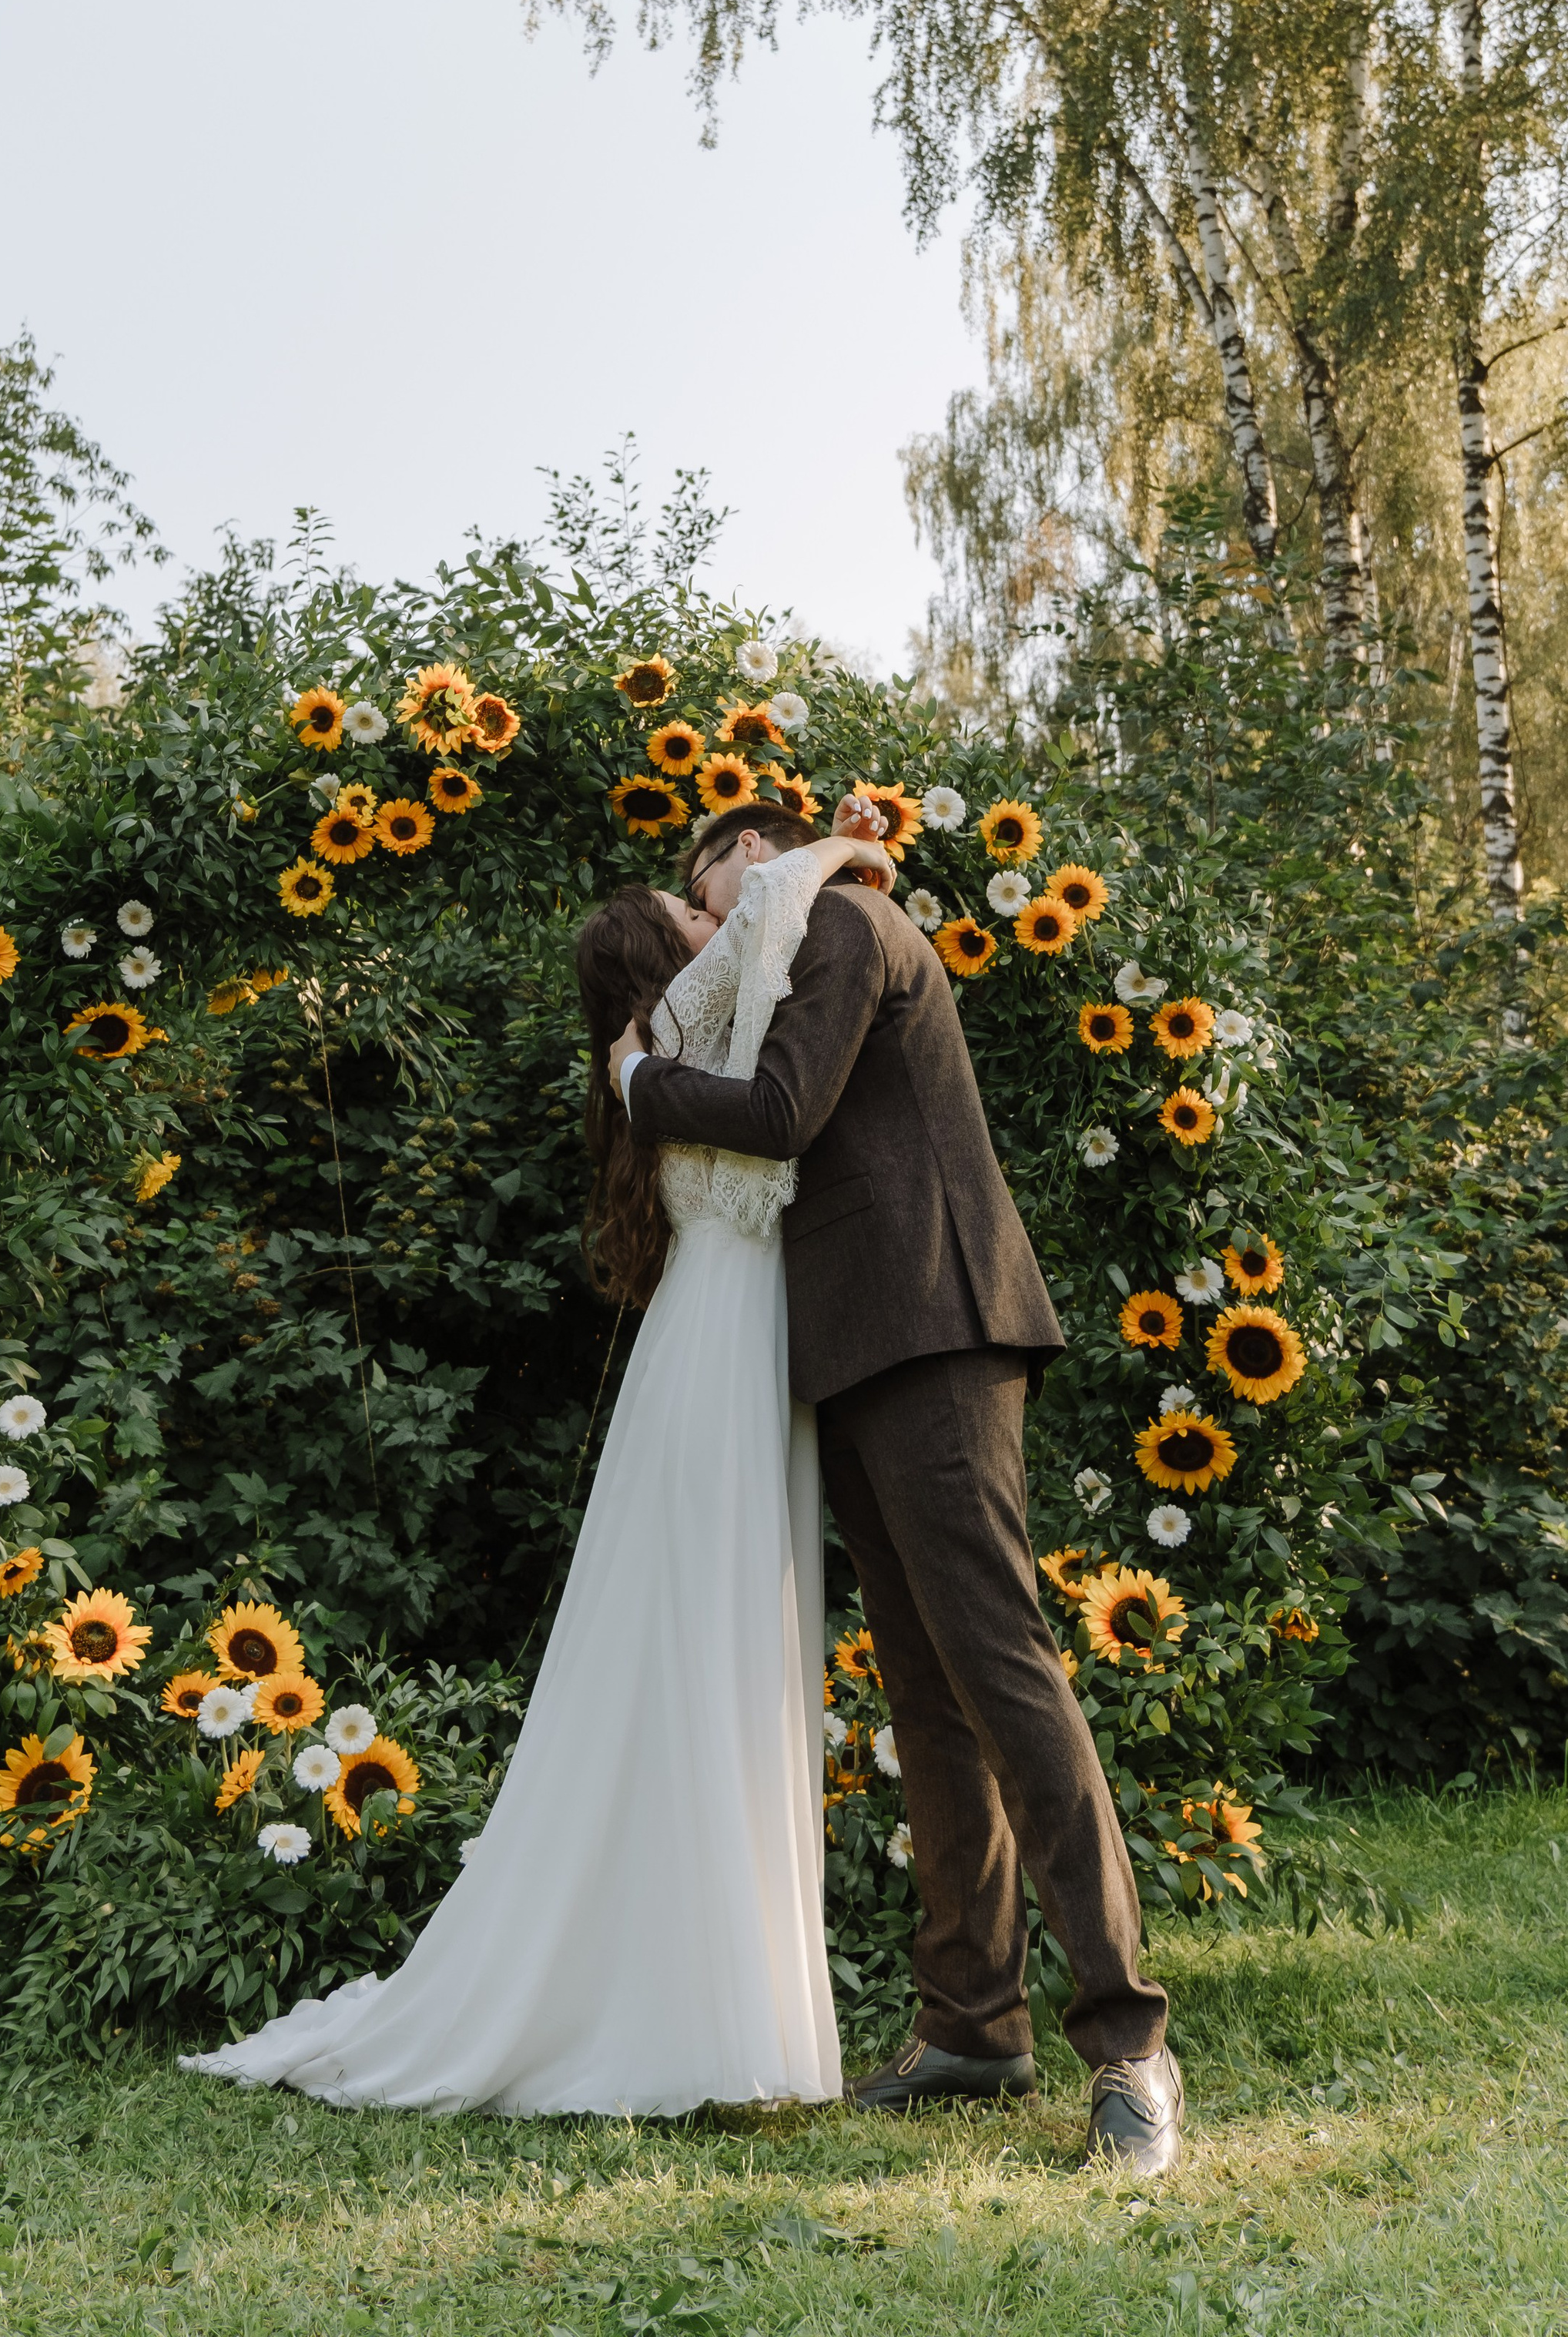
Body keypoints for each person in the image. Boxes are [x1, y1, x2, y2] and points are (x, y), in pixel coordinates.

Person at [178, 820, 888, 2114]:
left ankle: (720, 1994)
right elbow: (777, 905)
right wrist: (839, 844)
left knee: (719, 1655)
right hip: (719, 1366)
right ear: (657, 963)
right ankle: (700, 2020)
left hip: (722, 1360)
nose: (706, 917)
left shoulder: (665, 1045)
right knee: (710, 1653)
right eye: (684, 918)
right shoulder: (674, 1028)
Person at [608, 800, 1183, 2178]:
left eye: (708, 885)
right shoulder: (802, 945)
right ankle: (973, 2023)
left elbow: (784, 1115)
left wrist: (634, 1080)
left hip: (936, 1325)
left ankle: (1132, 2046)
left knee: (1002, 1669)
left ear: (757, 853)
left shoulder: (847, 924)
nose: (708, 918)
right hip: (857, 1350)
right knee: (926, 1692)